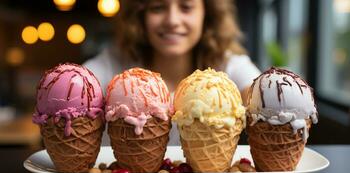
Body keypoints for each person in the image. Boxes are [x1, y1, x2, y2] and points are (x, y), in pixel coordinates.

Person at [83, 0, 261, 145]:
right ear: (140, 15)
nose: (172, 21)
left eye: (186, 7)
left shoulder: (227, 65)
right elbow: (75, 85)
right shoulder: (114, 63)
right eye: (158, 7)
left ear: (207, 13)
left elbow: (261, 96)